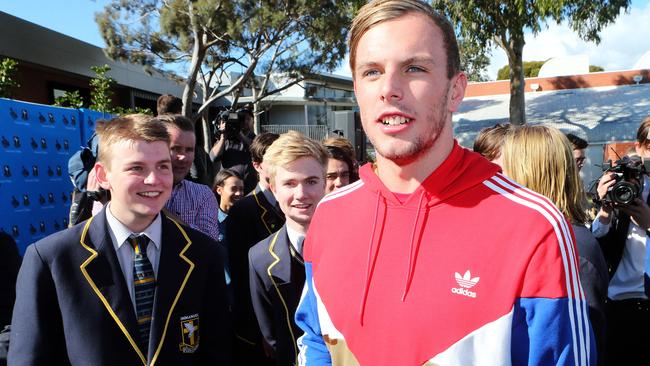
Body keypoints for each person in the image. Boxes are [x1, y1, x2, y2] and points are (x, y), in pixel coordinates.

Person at [294, 1, 594, 365]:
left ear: (456, 91)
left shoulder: (534, 225)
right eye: (372, 72)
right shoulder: (329, 214)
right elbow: (316, 342)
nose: (389, 89)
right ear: (357, 90)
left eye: (414, 68)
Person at [8, 114, 231, 365]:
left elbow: (217, 351)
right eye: (137, 167)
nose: (154, 180)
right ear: (103, 175)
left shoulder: (202, 253)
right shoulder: (52, 259)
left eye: (162, 166)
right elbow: (30, 358)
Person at [502, 125, 608, 366]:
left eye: (504, 167)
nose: (498, 177)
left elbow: (577, 347)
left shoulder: (569, 246)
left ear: (526, 172)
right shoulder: (520, 236)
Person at [249, 131, 328, 366]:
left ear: (325, 181)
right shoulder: (260, 257)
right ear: (273, 189)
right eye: (290, 184)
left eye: (311, 181)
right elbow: (271, 336)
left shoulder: (359, 243)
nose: (301, 194)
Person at [592, 116, 650, 365]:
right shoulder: (620, 181)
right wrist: (604, 209)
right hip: (619, 303)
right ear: (639, 146)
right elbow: (594, 243)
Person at [226, 132, 283, 365]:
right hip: (259, 326)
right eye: (274, 160)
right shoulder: (244, 211)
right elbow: (242, 278)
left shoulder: (295, 202)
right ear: (257, 166)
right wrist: (263, 331)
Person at [156, 114, 221, 242]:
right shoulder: (135, 192)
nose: (184, 157)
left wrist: (159, 212)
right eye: (175, 149)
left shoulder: (202, 195)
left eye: (189, 150)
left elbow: (209, 244)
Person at [213, 168, 245, 303]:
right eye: (233, 189)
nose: (239, 193)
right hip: (221, 295)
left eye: (241, 189)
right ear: (219, 190)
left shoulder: (248, 220)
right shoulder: (210, 222)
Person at [210, 109, 257, 194]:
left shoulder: (256, 139)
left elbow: (256, 149)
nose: (245, 121)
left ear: (253, 122)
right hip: (229, 188)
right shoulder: (226, 139)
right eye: (242, 118)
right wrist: (223, 138)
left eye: (248, 119)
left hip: (250, 189)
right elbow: (213, 158)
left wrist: (239, 134)